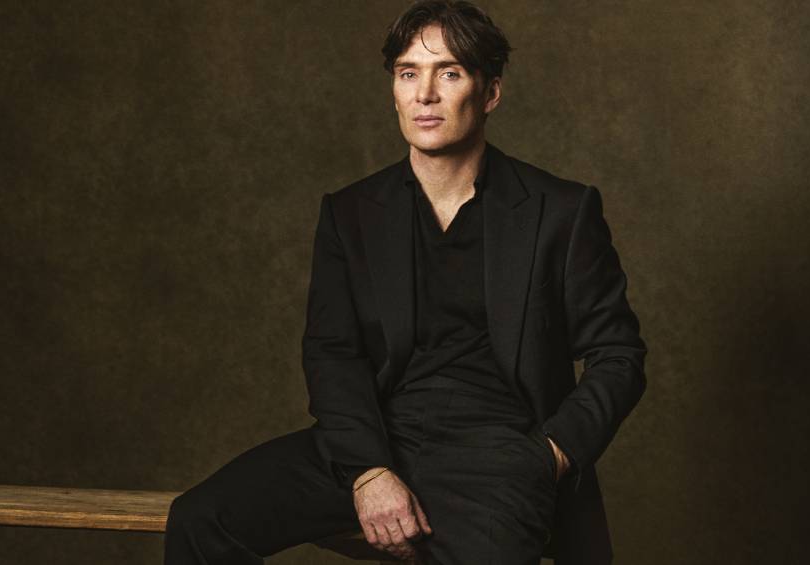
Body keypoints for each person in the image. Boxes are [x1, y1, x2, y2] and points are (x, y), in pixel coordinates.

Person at [163, 1, 647, 564]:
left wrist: (551, 454)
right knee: (200, 520)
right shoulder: (350, 213)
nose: (425, 95)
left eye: (449, 73)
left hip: (500, 453)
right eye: (408, 73)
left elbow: (619, 354)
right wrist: (369, 471)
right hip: (376, 438)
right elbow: (333, 351)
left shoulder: (560, 210)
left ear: (490, 93)